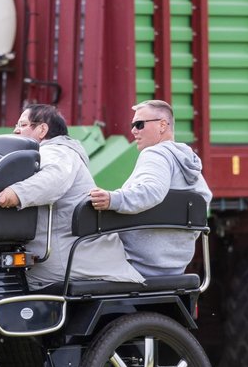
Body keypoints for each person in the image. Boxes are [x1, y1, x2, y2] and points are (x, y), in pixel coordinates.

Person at [0, 105, 144, 288]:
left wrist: (16, 193)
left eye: (22, 124)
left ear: (42, 129)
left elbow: (53, 179)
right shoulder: (47, 153)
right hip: (74, 259)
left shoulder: (56, 151)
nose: (16, 130)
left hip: (69, 262)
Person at [88, 100, 213, 277]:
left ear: (162, 125)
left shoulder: (155, 153)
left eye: (139, 124)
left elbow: (152, 190)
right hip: (174, 267)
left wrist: (112, 200)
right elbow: (203, 201)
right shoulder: (186, 162)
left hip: (133, 263)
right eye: (132, 125)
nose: (134, 130)